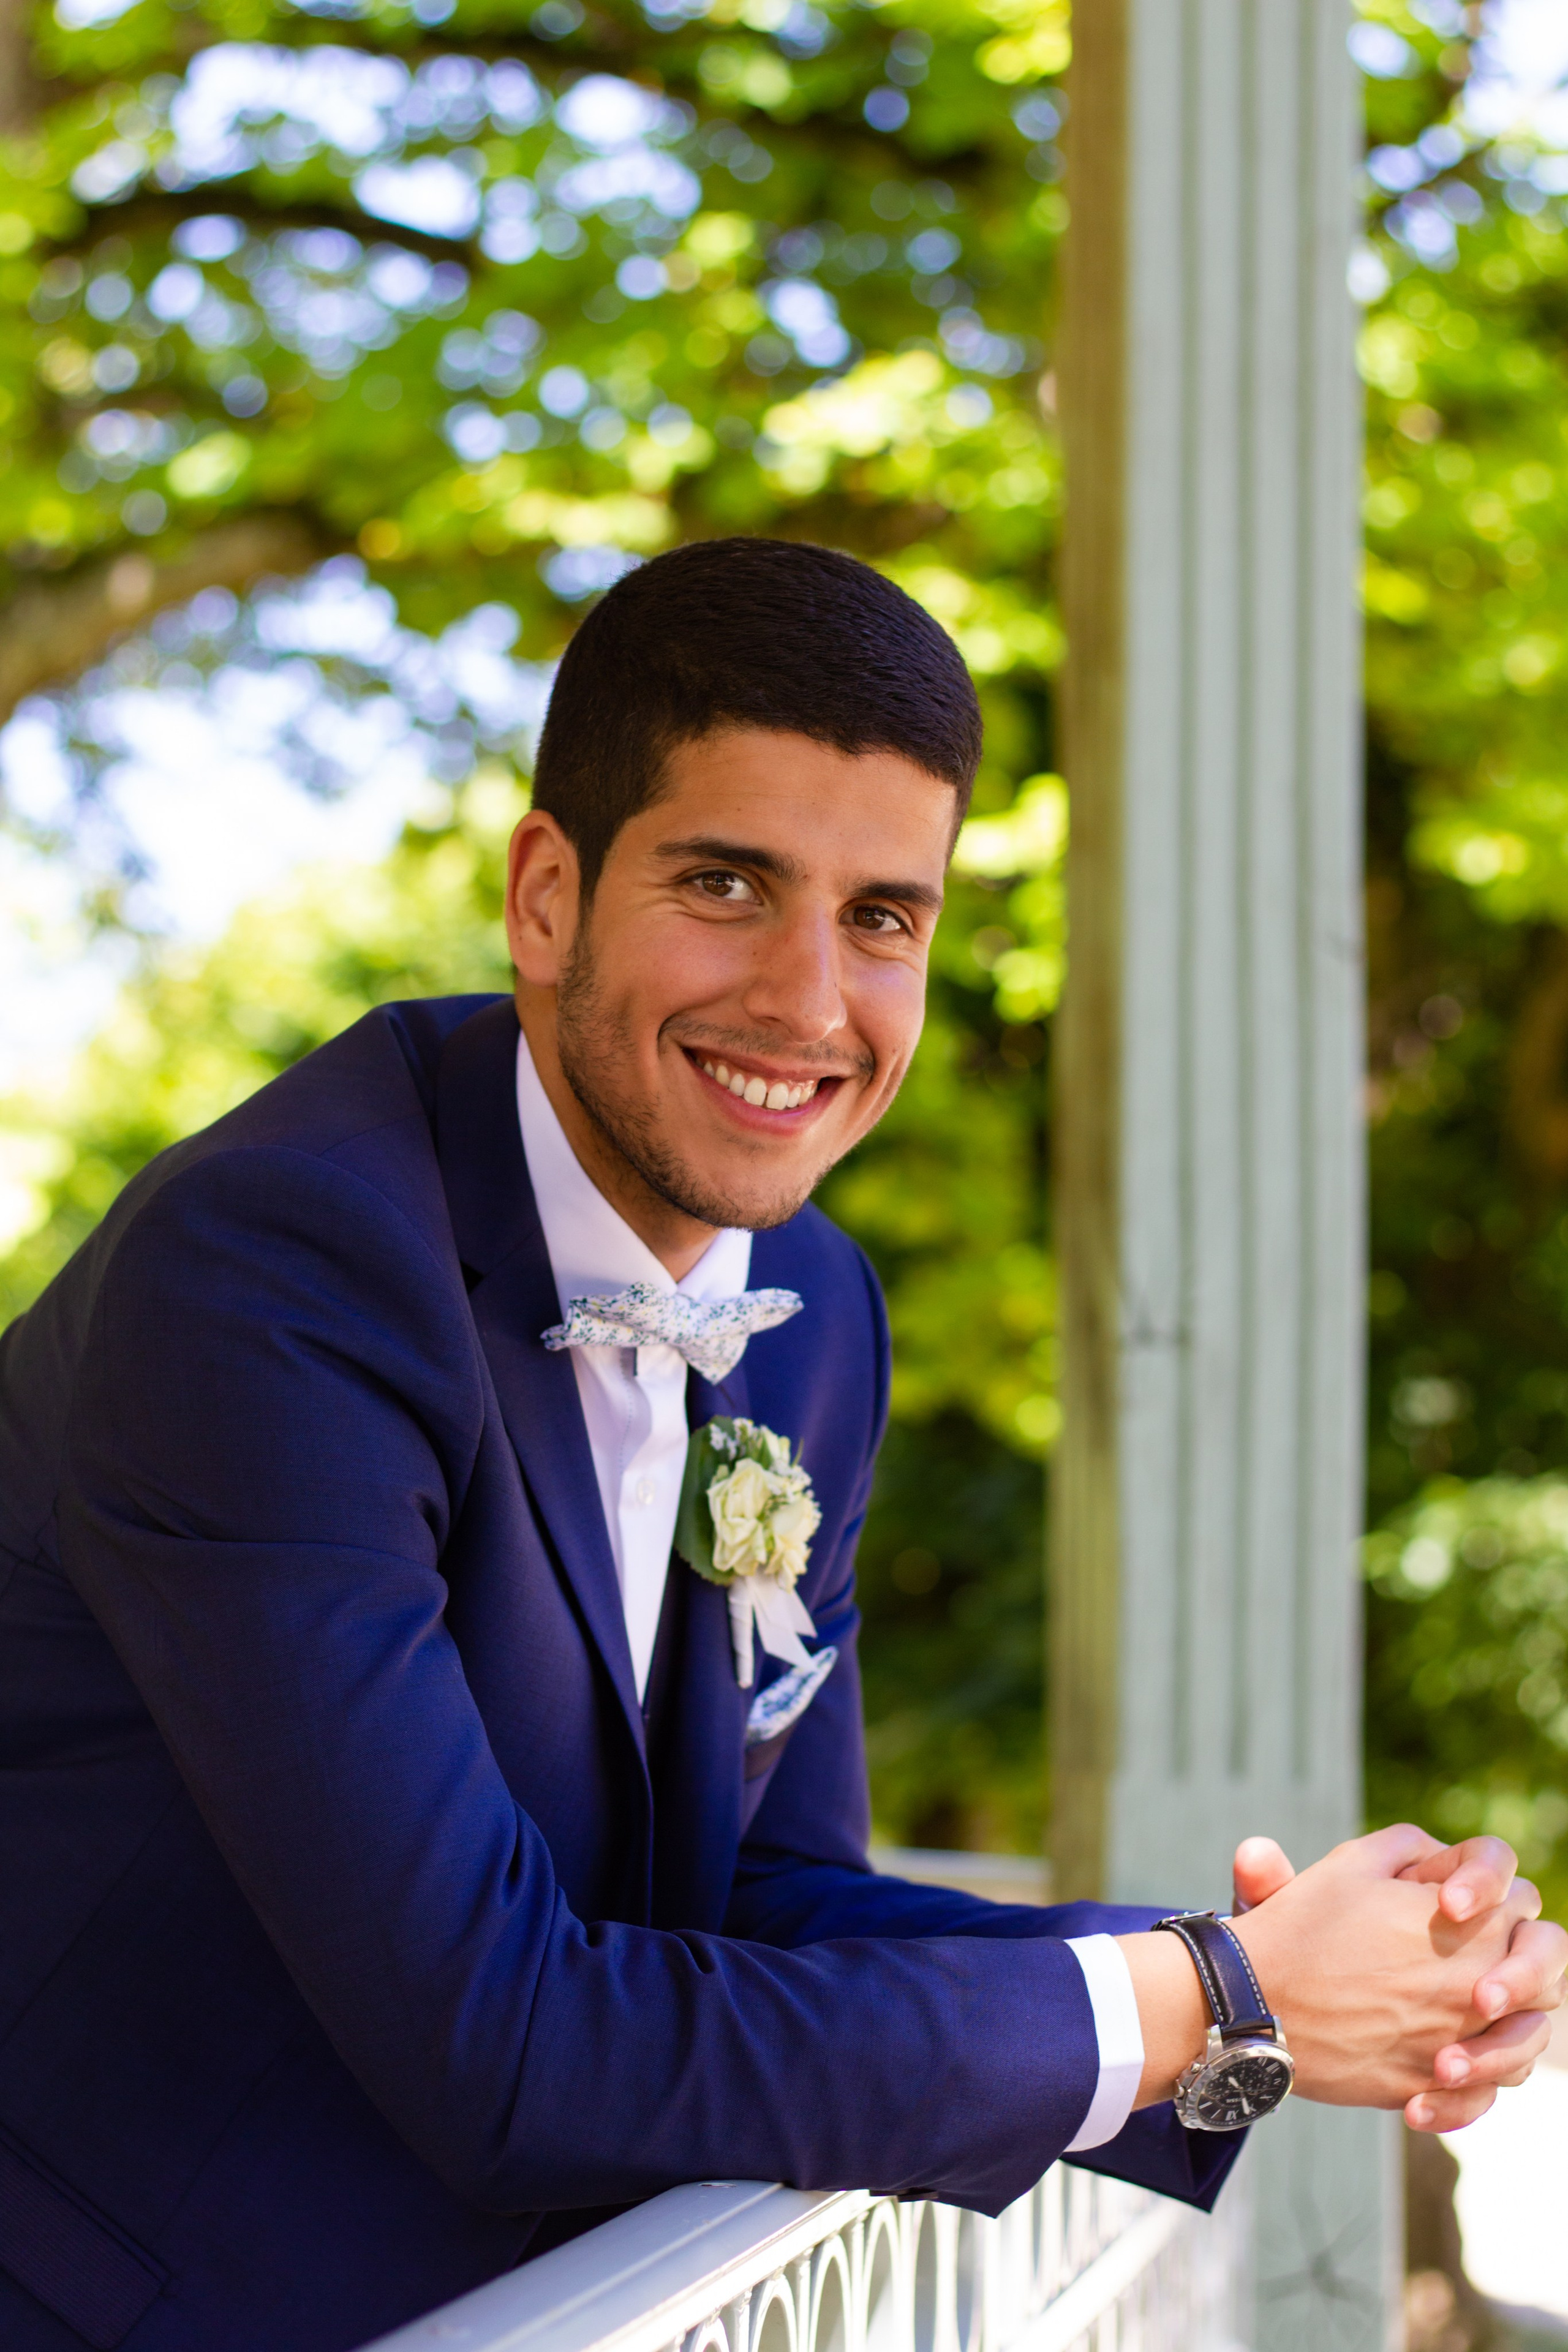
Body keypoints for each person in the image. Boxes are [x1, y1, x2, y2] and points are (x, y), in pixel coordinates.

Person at [0, 538, 1559, 2352]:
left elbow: (761, 1892)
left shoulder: (813, 1302)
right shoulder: (278, 1271)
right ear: (545, 895)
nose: (814, 1005)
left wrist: (1316, 1977)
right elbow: (498, 2042)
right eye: (728, 884)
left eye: (883, 915)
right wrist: (1207, 2001)